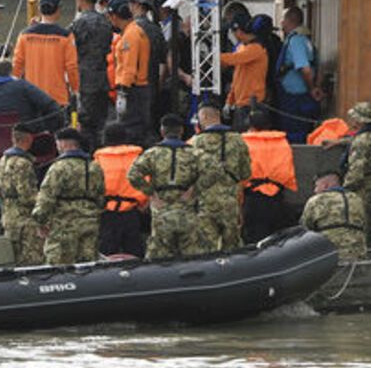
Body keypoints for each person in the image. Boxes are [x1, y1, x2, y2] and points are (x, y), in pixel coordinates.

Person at [127, 113, 222, 259]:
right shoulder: (194, 153)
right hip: (186, 210)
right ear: (181, 131)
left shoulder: (152, 154)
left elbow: (133, 174)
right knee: (192, 257)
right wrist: (194, 189)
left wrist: (151, 193)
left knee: (159, 259)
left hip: (161, 211)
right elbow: (215, 170)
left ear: (162, 131)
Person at [32, 128, 104, 265]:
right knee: (87, 267)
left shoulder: (58, 168)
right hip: (89, 224)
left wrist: (40, 222)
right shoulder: (94, 167)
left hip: (64, 227)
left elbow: (46, 198)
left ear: (63, 144)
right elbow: (100, 197)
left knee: (59, 269)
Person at [189, 102, 253, 251]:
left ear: (203, 116)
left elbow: (189, 176)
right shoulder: (237, 140)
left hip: (205, 205)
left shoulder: (196, 142)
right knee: (233, 250)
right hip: (230, 204)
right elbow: (246, 173)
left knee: (207, 250)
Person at [12, 0, 79, 114]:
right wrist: (75, 89)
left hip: (31, 98)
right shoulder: (66, 37)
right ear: (58, 9)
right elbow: (71, 67)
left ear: (39, 10)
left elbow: (17, 66)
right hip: (57, 98)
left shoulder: (24, 35)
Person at [331, 101, 371, 235]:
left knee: (357, 231)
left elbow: (356, 173)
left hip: (363, 192)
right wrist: (339, 142)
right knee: (367, 228)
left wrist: (342, 192)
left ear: (360, 121)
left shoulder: (361, 141)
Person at [241, 107, 298, 244]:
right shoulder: (282, 142)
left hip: (253, 199)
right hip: (277, 198)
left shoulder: (244, 143)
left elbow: (241, 174)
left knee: (254, 243)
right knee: (278, 243)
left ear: (250, 127)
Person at [0, 58, 65, 133]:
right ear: (10, 72)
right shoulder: (23, 86)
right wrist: (48, 128)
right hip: (27, 143)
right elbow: (51, 106)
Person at [70, 0, 114, 150]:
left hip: (85, 79)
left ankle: (87, 155)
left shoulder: (79, 23)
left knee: (85, 123)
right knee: (100, 122)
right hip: (102, 78)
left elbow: (70, 46)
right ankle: (100, 154)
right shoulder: (105, 22)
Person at [94, 122, 147, 257]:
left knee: (106, 256)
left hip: (107, 213)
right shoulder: (137, 157)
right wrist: (143, 204)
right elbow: (147, 183)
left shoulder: (99, 160)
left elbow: (93, 186)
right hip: (133, 212)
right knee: (135, 254)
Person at [0, 122, 44, 265]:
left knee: (11, 260)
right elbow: (27, 196)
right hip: (25, 223)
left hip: (8, 217)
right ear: (29, 139)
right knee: (30, 263)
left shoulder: (3, 160)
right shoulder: (23, 163)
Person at [276, 6, 324, 143]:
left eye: (283, 19)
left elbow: (305, 69)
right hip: (299, 98)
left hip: (295, 100)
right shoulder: (306, 40)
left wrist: (312, 89)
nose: (281, 23)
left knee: (295, 136)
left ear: (290, 20)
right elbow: (319, 67)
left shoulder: (296, 41)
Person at [111, 0, 151, 145]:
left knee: (130, 130)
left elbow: (129, 66)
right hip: (138, 88)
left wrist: (123, 91)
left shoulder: (130, 35)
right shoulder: (134, 31)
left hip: (132, 89)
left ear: (114, 16)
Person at [301, 171, 368, 261]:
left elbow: (305, 228)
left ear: (325, 185)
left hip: (331, 254)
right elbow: (365, 224)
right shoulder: (357, 199)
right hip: (358, 253)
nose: (315, 190)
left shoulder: (316, 200)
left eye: (316, 186)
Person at [219, 17, 269, 130]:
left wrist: (213, 56)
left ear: (239, 32)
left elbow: (233, 59)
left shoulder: (256, 49)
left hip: (253, 104)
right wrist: (229, 100)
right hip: (241, 104)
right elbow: (237, 77)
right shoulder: (243, 48)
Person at [127, 0, 168, 121]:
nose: (129, 7)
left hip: (134, 84)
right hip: (151, 83)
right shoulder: (156, 29)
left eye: (131, 3)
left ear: (138, 5)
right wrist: (159, 83)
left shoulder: (132, 29)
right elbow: (163, 60)